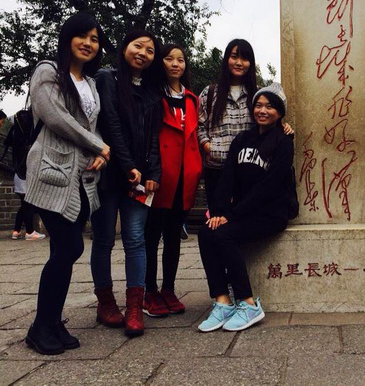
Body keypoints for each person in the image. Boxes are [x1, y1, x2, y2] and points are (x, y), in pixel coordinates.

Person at [23, 12, 110, 354]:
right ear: (67, 38)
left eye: (95, 39)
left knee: (62, 250)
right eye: (82, 36)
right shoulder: (48, 71)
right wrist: (97, 145)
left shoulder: (90, 83)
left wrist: (101, 153)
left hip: (82, 178)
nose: (88, 43)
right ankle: (40, 327)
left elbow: (92, 126)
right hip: (52, 171)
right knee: (70, 247)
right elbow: (55, 117)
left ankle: (52, 321)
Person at [198, 83, 294, 332]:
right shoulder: (242, 139)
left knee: (224, 234)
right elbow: (227, 178)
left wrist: (231, 216)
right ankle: (222, 301)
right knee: (206, 232)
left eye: (270, 107)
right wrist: (219, 212)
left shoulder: (283, 142)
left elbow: (269, 187)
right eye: (258, 105)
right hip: (241, 212)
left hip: (270, 213)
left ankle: (248, 303)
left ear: (279, 113)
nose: (263, 111)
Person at [91, 30, 162, 337]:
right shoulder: (107, 79)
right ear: (124, 48)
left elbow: (154, 137)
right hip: (109, 174)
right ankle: (106, 303)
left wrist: (153, 172)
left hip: (138, 179)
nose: (143, 53)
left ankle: (134, 307)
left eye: (150, 50)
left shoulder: (152, 91)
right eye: (138, 46)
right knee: (104, 239)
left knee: (135, 239)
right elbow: (111, 124)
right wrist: (127, 164)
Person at [143, 44, 203, 317]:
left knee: (174, 236)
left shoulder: (192, 99)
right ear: (161, 63)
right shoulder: (152, 96)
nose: (175, 64)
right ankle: (149, 291)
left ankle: (168, 288)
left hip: (185, 176)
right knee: (151, 236)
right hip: (159, 176)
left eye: (180, 59)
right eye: (169, 59)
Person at [198, 39, 257, 207]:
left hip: (248, 169)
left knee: (246, 217)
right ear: (226, 60)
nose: (239, 62)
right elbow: (200, 126)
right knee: (218, 217)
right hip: (217, 169)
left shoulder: (257, 94)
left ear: (251, 63)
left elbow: (268, 123)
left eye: (244, 58)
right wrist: (209, 147)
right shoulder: (210, 92)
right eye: (234, 57)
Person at [3, 109, 45, 240]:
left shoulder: (15, 133)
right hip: (26, 173)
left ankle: (16, 230)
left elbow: (6, 144)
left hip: (18, 173)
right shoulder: (29, 137)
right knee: (28, 204)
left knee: (24, 204)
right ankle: (30, 232)